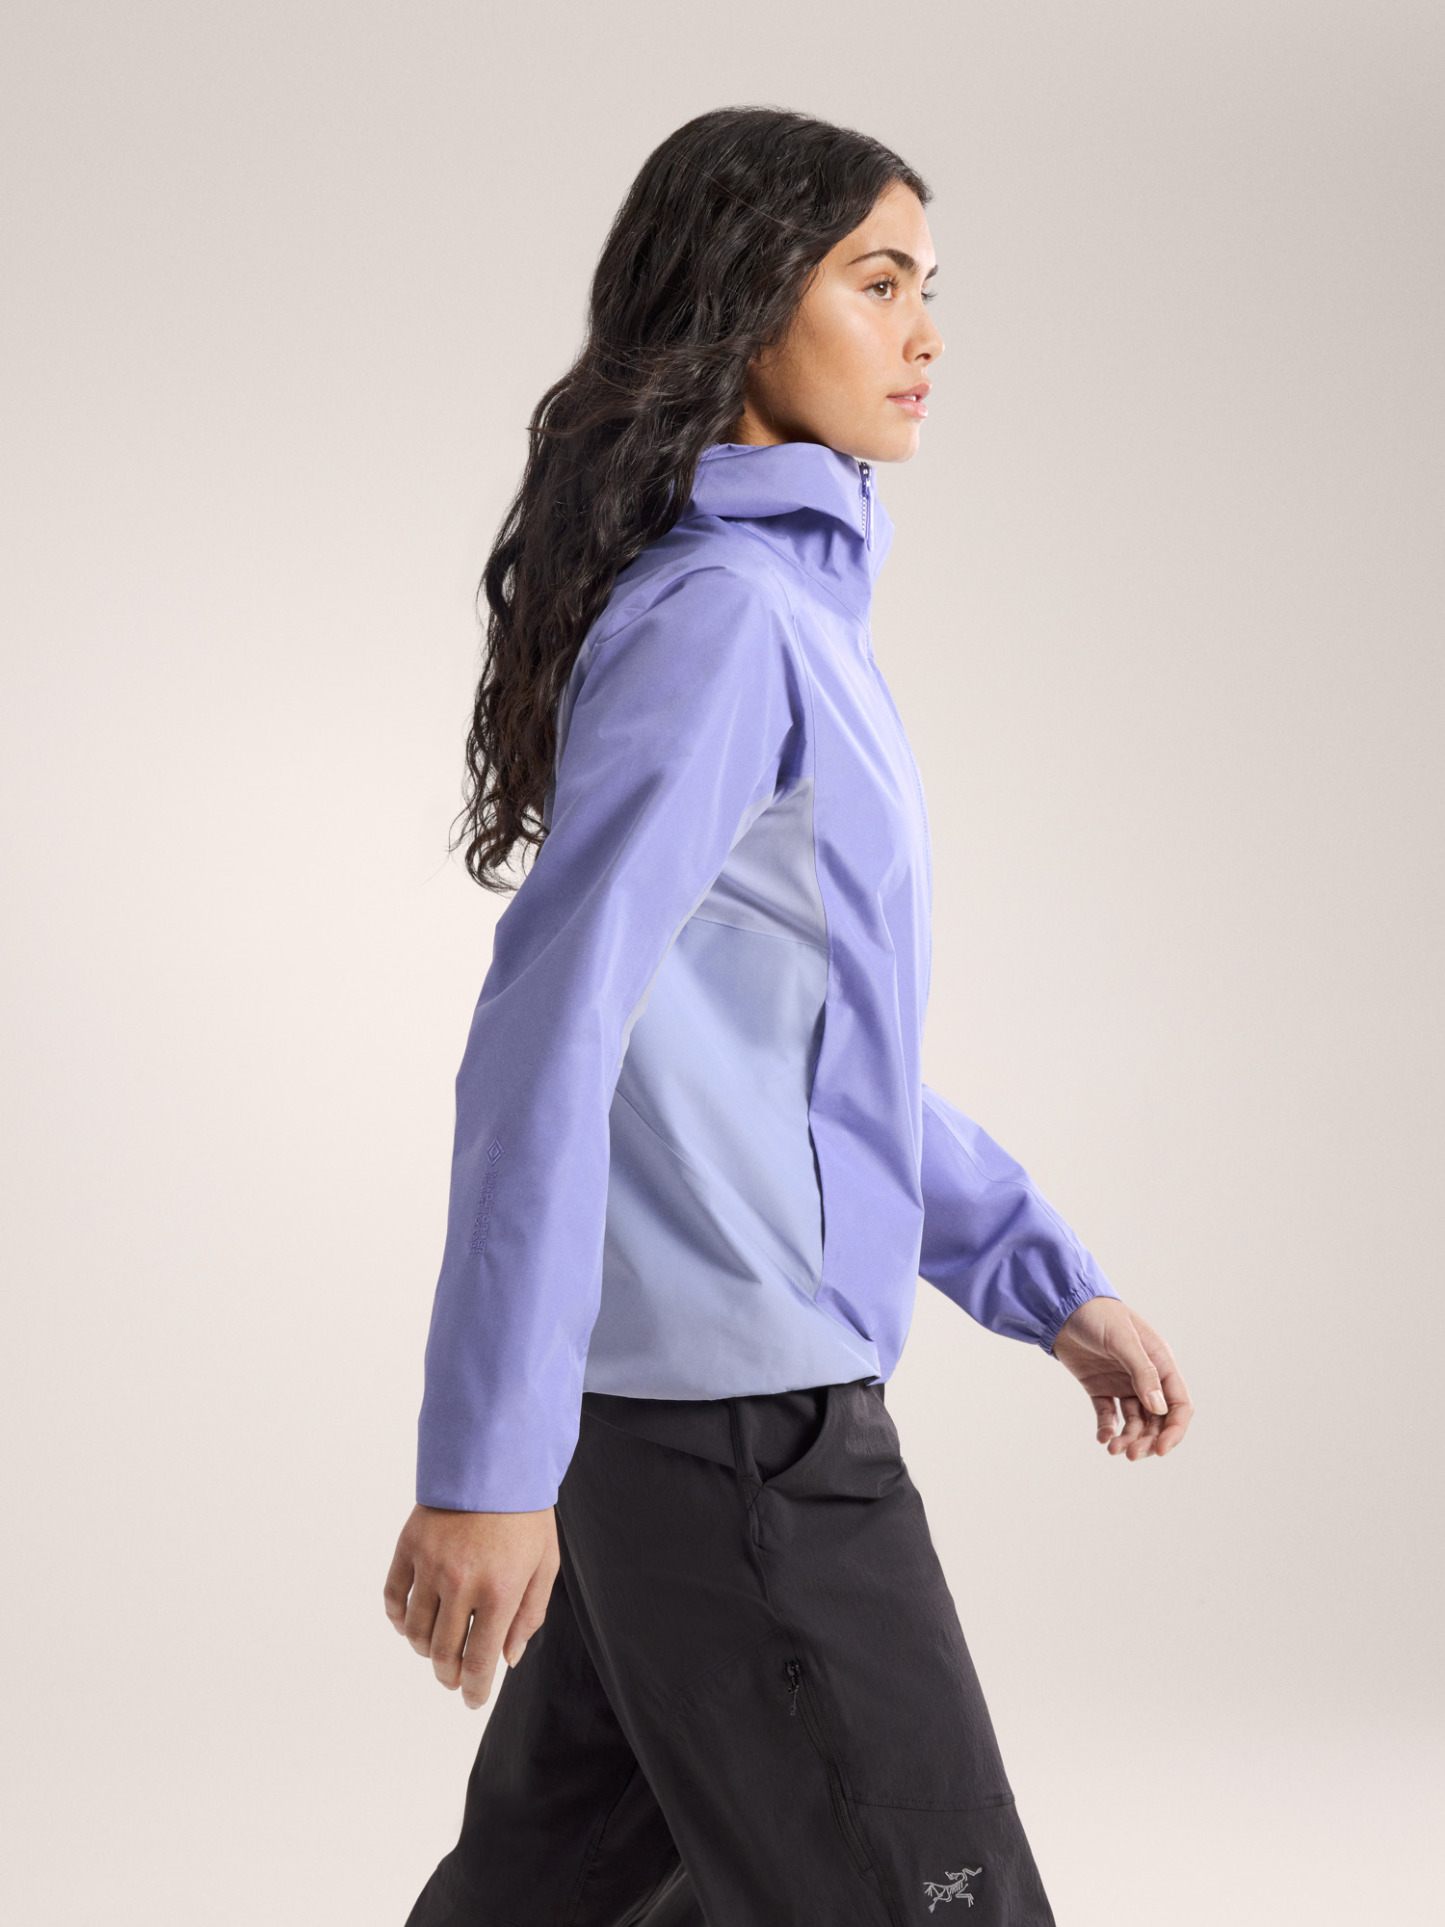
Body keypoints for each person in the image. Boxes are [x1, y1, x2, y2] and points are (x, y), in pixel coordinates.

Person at [384, 106, 1193, 1927]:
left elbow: (799, 1052)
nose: (926, 333)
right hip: (741, 1440)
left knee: (552, 1900)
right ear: (749, 301)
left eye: (929, 288)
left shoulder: (788, 613)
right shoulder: (727, 622)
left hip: (682, 1429)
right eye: (877, 282)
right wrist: (483, 1463)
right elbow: (547, 1036)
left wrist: (1037, 1277)